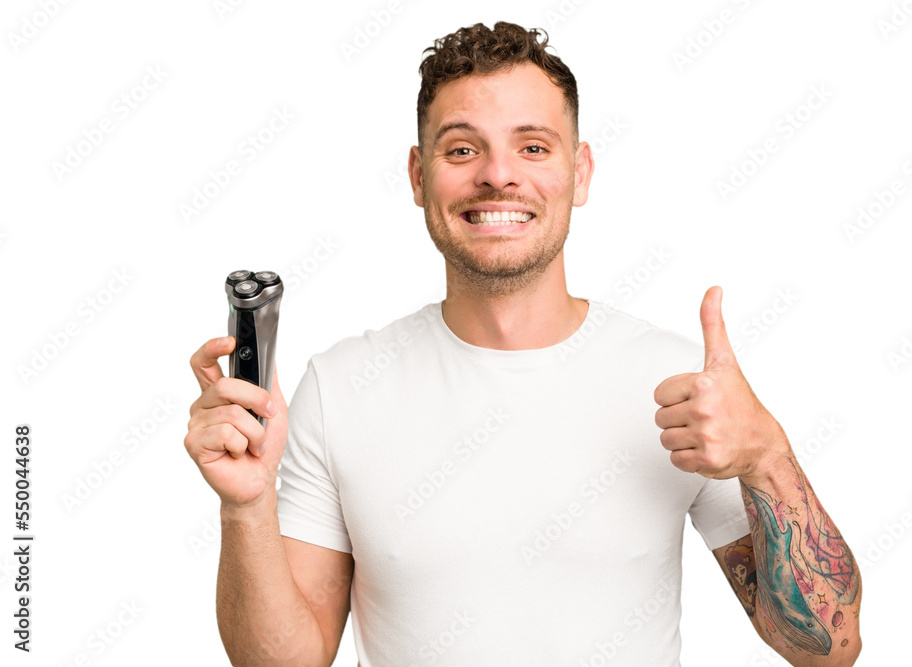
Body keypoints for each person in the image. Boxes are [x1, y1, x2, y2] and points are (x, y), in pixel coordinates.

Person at [184, 21, 862, 667]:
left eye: (532, 146)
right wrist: (246, 505)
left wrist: (766, 454)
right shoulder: (342, 387)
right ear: (419, 177)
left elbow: (826, 648)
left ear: (581, 171)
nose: (498, 175)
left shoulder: (679, 385)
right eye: (462, 148)